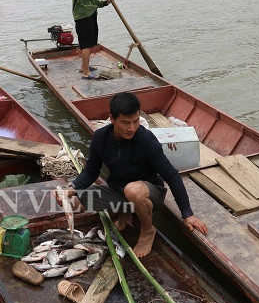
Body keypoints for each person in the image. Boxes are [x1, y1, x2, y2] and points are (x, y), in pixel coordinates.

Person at [56, 92, 208, 257]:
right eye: (125, 123)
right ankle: (125, 211)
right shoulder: (101, 137)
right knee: (70, 202)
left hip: (149, 193)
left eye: (136, 121)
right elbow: (91, 171)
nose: (132, 128)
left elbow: (171, 175)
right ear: (112, 119)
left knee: (133, 190)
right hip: (119, 191)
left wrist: (187, 213)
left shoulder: (146, 139)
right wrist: (72, 187)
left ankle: (148, 230)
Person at [72, 0, 113, 80]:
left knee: (89, 44)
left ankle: (84, 67)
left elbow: (93, 2)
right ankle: (86, 73)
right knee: (86, 44)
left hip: (90, 13)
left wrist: (106, 2)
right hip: (83, 15)